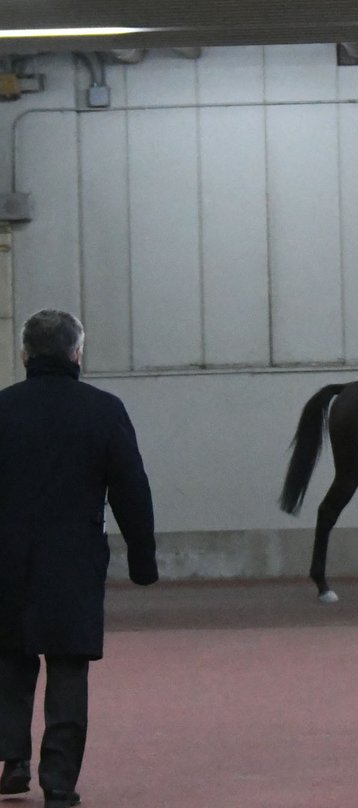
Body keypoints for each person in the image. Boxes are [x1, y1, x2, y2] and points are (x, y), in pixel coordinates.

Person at [0, 310, 158, 808]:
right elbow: (131, 489)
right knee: (68, 665)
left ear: (24, 354)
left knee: (10, 657)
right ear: (77, 354)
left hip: (6, 558)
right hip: (73, 560)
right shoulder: (104, 410)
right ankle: (60, 781)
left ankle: (13, 759)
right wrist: (143, 559)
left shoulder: (2, 408)